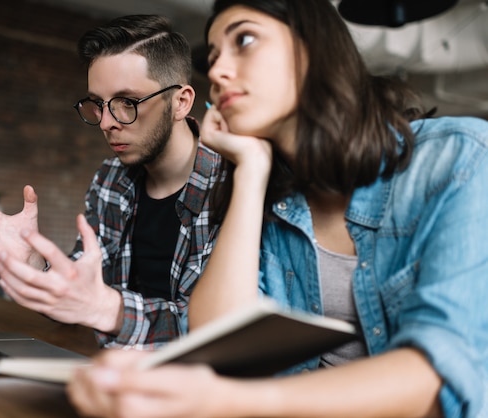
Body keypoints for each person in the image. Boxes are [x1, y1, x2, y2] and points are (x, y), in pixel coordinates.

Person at [66, 0, 488, 417]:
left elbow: (440, 378)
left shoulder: (460, 159)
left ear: (315, 49)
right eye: (213, 57)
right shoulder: (266, 192)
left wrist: (223, 401)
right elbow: (217, 343)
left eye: (244, 40)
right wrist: (251, 170)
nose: (217, 70)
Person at [0, 14, 223, 349]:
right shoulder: (110, 179)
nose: (107, 122)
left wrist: (109, 310)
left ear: (181, 102)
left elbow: (214, 331)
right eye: (98, 104)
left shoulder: (231, 187)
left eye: (128, 103)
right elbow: (77, 299)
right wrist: (30, 260)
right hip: (113, 377)